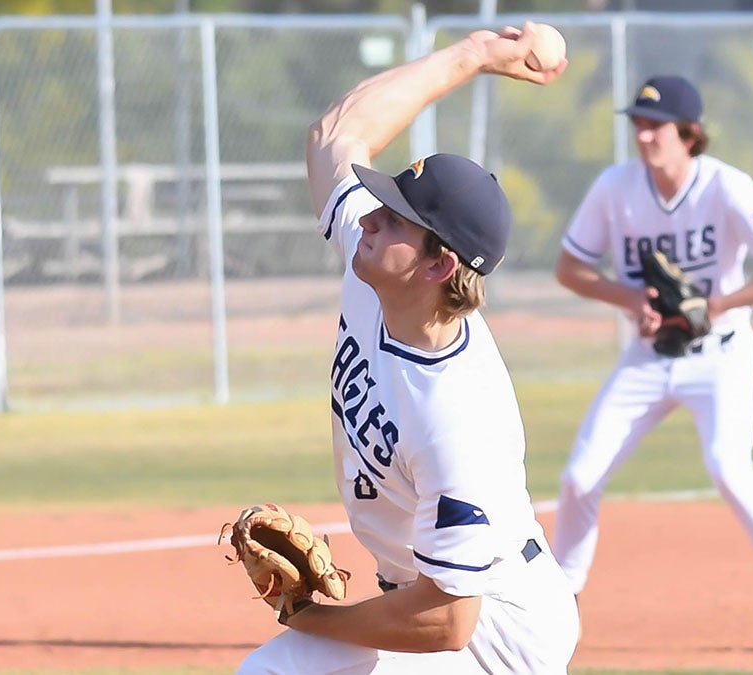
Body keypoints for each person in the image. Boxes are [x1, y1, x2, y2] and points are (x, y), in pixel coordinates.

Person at [236, 23, 577, 675]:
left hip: (497, 637)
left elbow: (449, 623)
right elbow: (334, 136)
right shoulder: (380, 275)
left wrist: (311, 615)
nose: (367, 217)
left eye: (393, 217)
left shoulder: (456, 418)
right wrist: (473, 54)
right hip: (435, 600)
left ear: (435, 265)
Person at [550, 75, 753, 652]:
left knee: (729, 467)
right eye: (638, 123)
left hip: (719, 355)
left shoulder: (726, 186)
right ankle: (559, 608)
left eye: (656, 125)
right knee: (579, 478)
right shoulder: (616, 188)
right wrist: (630, 300)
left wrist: (719, 306)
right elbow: (570, 268)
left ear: (690, 133)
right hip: (648, 355)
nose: (644, 134)